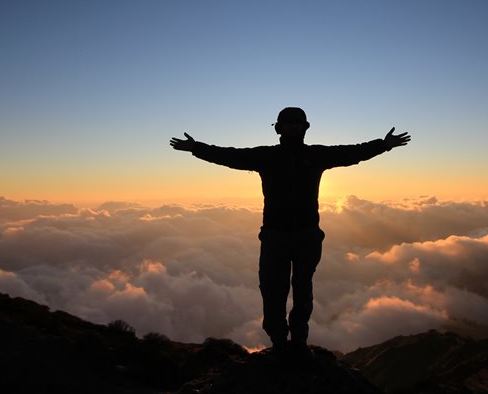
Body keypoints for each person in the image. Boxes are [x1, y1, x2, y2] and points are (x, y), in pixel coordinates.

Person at [169, 107, 410, 358]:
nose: (294, 127)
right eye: (289, 123)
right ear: (279, 128)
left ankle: (298, 341)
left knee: (302, 289)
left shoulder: (316, 155)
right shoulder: (266, 156)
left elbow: (352, 152)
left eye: (298, 123)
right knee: (273, 289)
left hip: (305, 235)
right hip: (276, 236)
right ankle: (279, 342)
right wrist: (196, 148)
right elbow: (230, 156)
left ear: (305, 128)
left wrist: (384, 145)